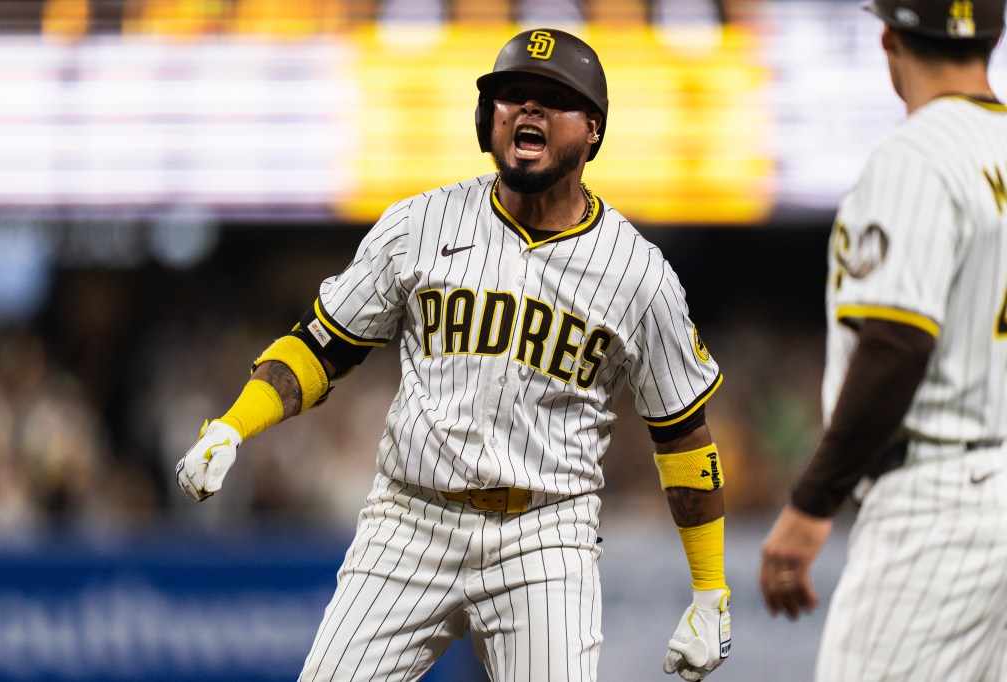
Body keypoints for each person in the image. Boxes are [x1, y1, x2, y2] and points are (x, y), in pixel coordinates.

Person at [176, 28, 731, 682]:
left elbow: (682, 435)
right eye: (511, 95)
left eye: (553, 99)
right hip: (410, 520)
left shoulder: (638, 273)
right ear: (485, 118)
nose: (527, 110)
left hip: (545, 534)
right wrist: (234, 424)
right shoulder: (420, 224)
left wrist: (710, 590)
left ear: (593, 132)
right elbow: (322, 346)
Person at [759, 1, 1007, 680]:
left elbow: (896, 345)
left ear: (888, 38)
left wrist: (812, 505)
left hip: (937, 502)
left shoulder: (915, 156)